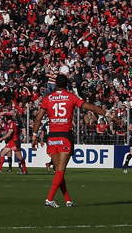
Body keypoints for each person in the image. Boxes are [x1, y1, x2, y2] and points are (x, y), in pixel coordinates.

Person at [32, 73, 109, 207]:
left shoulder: (48, 98)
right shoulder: (71, 97)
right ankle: (49, 199)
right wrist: (108, 114)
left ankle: (68, 200)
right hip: (65, 135)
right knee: (61, 170)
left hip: (52, 136)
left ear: (55, 84)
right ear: (66, 84)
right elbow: (91, 107)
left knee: (58, 171)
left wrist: (34, 136)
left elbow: (38, 119)